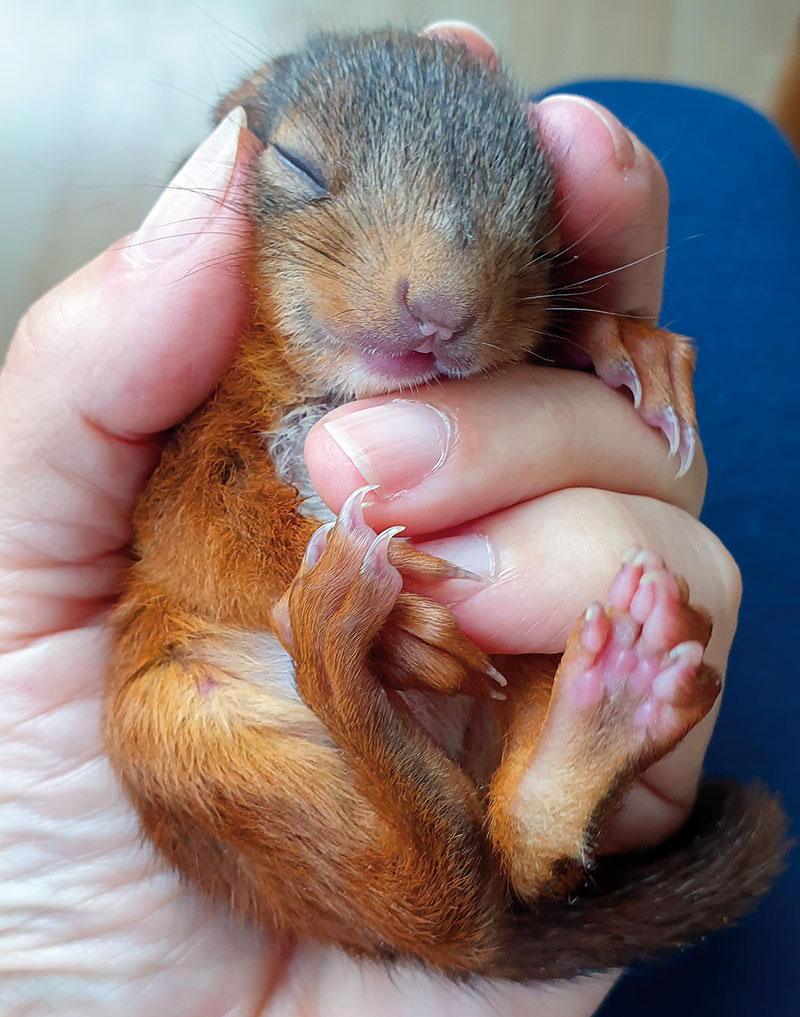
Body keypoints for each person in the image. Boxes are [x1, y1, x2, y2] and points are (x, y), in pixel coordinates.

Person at [0, 20, 795, 1017]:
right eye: (304, 171)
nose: (440, 298)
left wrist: (600, 346)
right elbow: (199, 544)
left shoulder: (507, 327)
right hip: (259, 730)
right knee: (177, 715)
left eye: (515, 242)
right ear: (234, 164)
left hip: (464, 701)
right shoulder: (211, 375)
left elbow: (543, 313)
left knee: (559, 603)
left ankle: (533, 811)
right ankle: (518, 820)